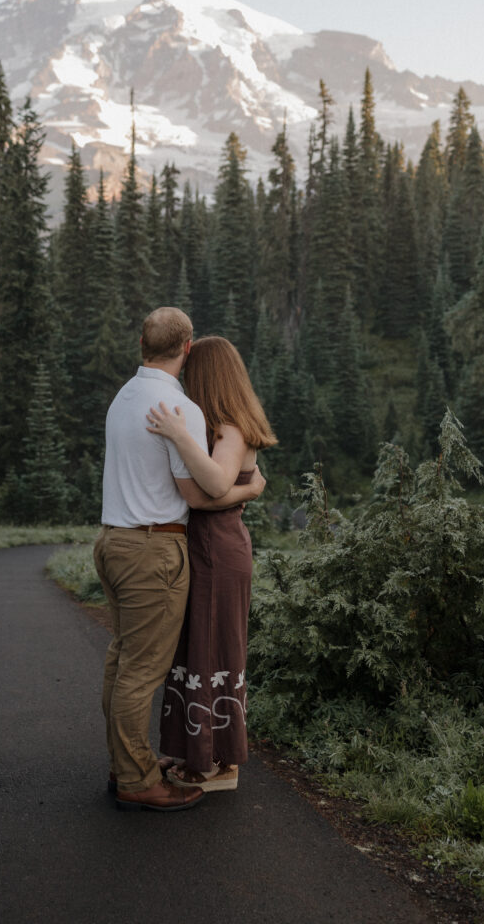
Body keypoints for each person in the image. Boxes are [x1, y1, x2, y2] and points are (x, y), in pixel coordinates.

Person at [93, 309, 266, 812]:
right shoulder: (178, 409)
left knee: (124, 661)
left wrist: (243, 481)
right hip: (152, 548)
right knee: (141, 670)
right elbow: (201, 493)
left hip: (114, 541)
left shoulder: (124, 397)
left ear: (140, 343)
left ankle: (129, 765)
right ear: (184, 348)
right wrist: (251, 488)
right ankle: (135, 777)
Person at [146, 335, 277, 792]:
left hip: (218, 554)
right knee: (196, 650)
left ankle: (217, 766)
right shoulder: (220, 427)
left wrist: (181, 436)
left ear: (205, 376)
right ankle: (195, 752)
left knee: (213, 651)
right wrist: (252, 489)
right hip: (207, 550)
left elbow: (213, 491)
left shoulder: (231, 429)